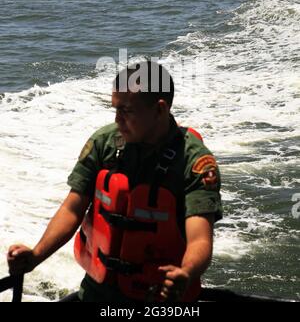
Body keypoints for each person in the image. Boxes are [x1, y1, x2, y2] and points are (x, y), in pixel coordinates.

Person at [7, 61, 222, 303]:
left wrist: (186, 272)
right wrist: (35, 255)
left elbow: (201, 238)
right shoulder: (104, 143)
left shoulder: (194, 162)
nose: (118, 120)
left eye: (126, 111)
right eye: (115, 109)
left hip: (160, 300)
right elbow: (72, 209)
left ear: (160, 109)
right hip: (97, 294)